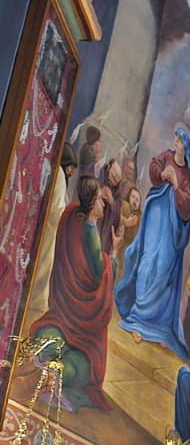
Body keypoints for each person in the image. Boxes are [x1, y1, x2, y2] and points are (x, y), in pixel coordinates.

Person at [27, 177, 114, 412]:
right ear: (92, 203)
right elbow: (98, 273)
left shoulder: (71, 217)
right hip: (81, 320)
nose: (103, 205)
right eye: (100, 201)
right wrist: (112, 258)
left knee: (50, 333)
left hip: (63, 312)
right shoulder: (90, 232)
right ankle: (59, 374)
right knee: (85, 366)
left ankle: (46, 354)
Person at [115, 126, 190, 357]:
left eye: (181, 140)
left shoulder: (187, 175)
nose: (177, 142)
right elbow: (154, 167)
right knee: (148, 262)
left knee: (163, 271)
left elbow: (189, 206)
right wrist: (163, 175)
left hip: (172, 229)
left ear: (186, 147)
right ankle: (138, 319)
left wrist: (176, 185)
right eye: (177, 138)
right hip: (156, 217)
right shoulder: (166, 156)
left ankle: (160, 328)